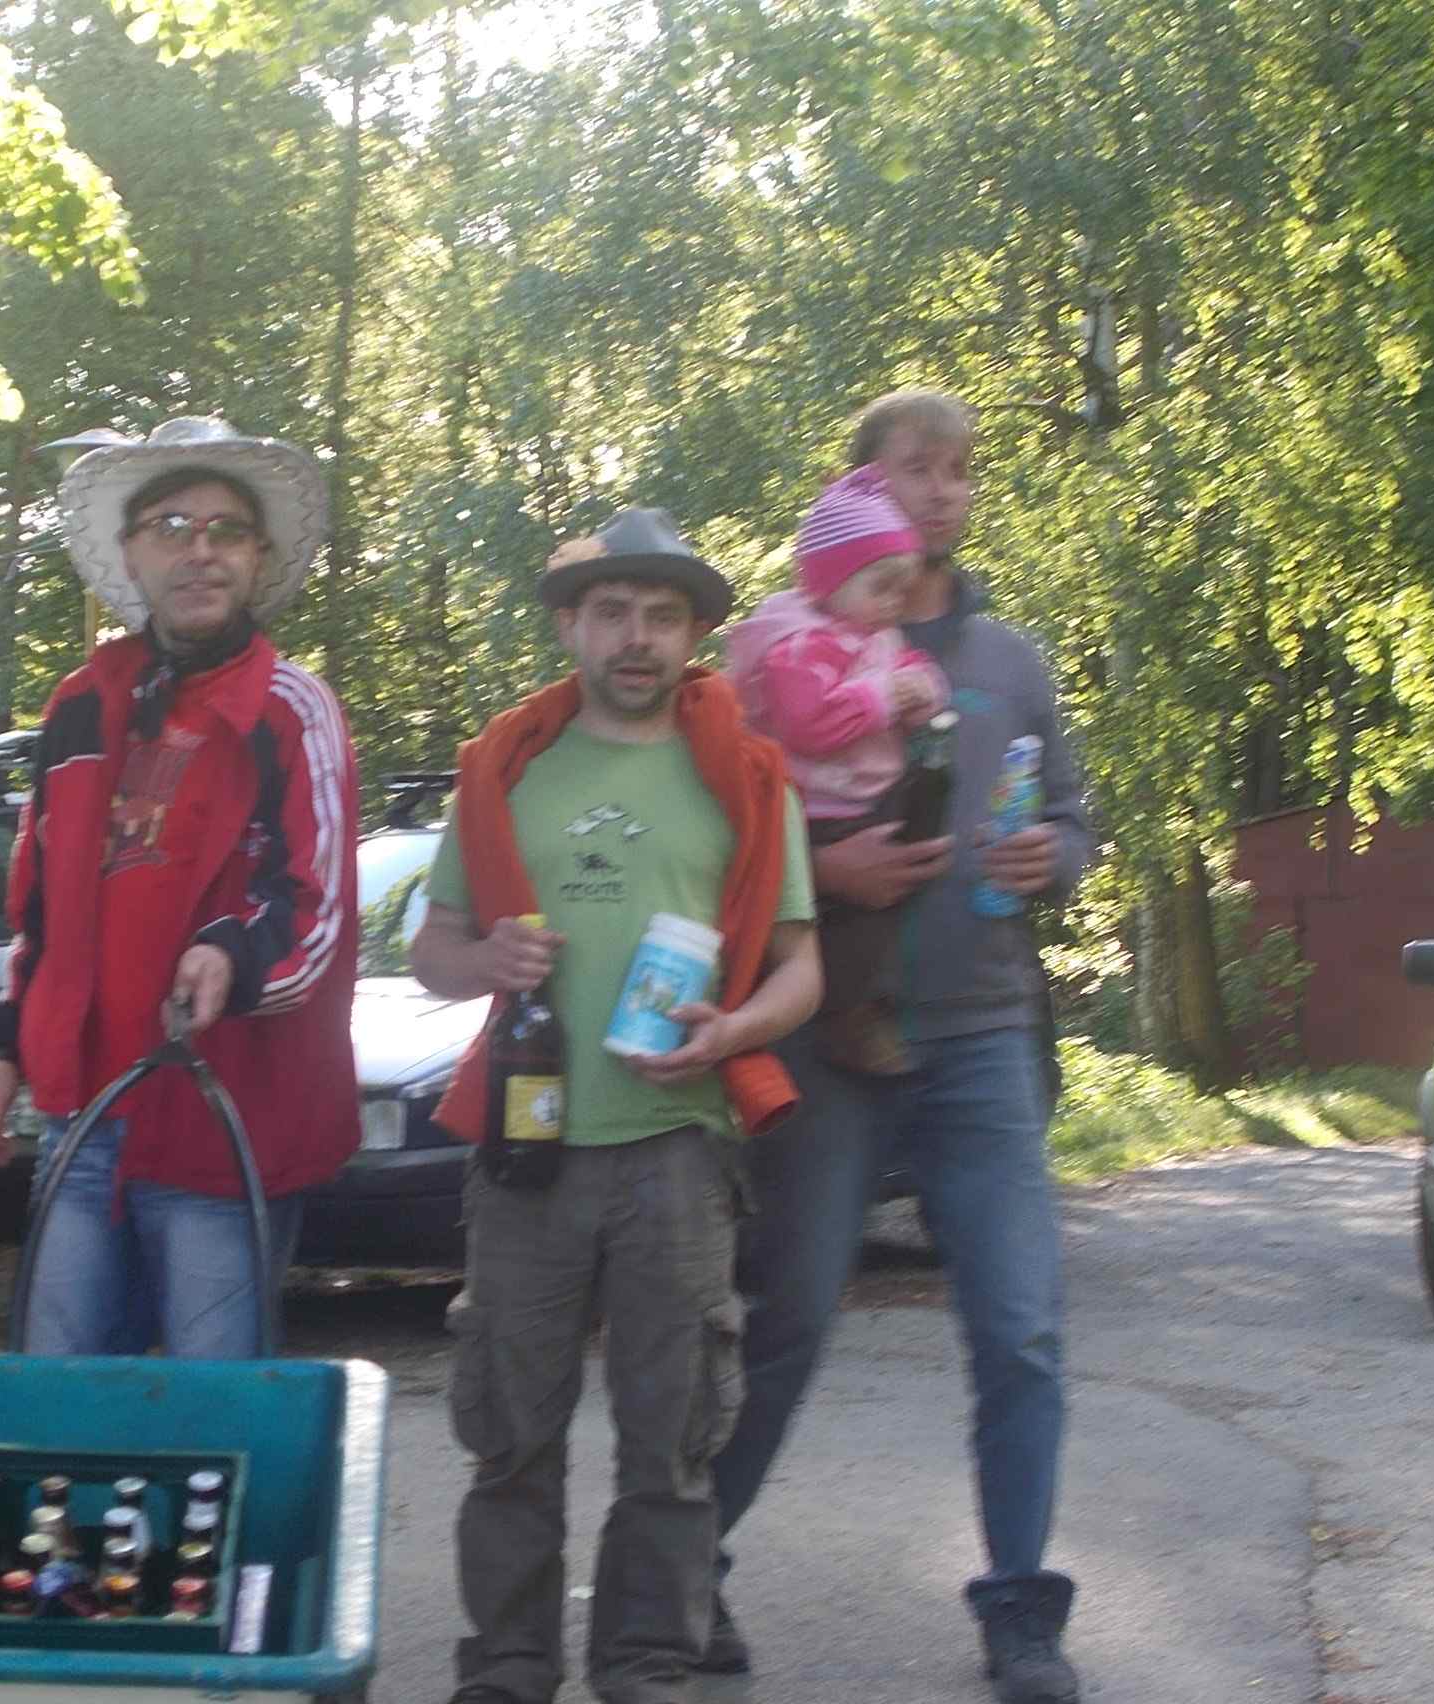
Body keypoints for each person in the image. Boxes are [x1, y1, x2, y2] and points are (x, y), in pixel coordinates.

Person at [704, 389, 1094, 1704]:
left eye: (962, 471)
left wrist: (1055, 857)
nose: (944, 490)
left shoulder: (1009, 662)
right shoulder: (783, 645)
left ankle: (1021, 1609)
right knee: (789, 1319)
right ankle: (689, 1565)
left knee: (1021, 1331)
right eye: (917, 467)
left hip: (982, 1034)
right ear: (860, 483)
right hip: (824, 1036)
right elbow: (721, 827)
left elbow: (1074, 819)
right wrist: (827, 868)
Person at [410, 508, 823, 1704]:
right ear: (570, 626)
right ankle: (507, 1667)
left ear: (693, 634)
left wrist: (732, 1032)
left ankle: (646, 1666)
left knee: (673, 1446)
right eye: (611, 613)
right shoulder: (504, 770)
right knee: (510, 1439)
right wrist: (480, 962)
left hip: (679, 1154)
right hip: (525, 1149)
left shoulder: (747, 780)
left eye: (660, 616)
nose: (635, 637)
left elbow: (800, 967)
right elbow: (432, 949)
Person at [0, 416, 361, 1358]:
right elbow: (38, 913)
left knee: (209, 1401)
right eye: (172, 527)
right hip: (84, 1114)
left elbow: (319, 915)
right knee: (54, 1391)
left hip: (224, 1122)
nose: (200, 551)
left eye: (227, 530)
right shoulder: (78, 704)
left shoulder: (291, 708)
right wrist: (4, 1050)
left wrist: (232, 954)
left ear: (257, 558)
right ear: (132, 554)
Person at [727, 463, 950, 1074]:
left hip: (868, 797)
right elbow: (810, 725)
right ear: (831, 581)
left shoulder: (874, 632)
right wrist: (884, 697)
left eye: (901, 589)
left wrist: (921, 694)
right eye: (882, 587)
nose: (894, 603)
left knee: (907, 865)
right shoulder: (800, 644)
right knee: (844, 924)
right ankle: (845, 1014)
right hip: (816, 810)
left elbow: (914, 670)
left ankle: (873, 999)